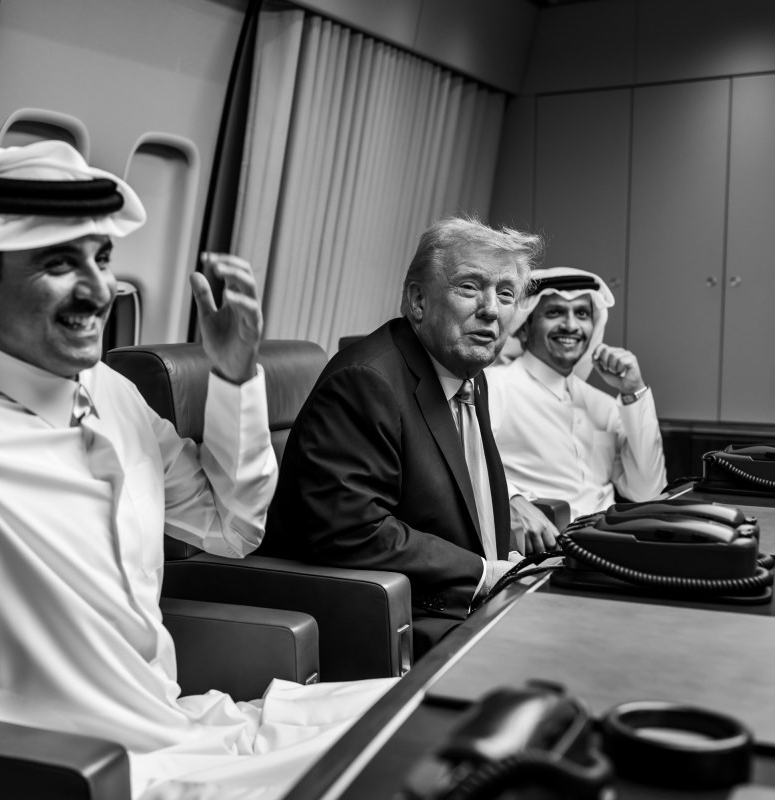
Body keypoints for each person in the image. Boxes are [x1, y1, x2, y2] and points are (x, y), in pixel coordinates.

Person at [0, 140, 395, 800]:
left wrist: (231, 376)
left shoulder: (111, 392)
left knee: (421, 714)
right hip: (86, 776)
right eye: (59, 264)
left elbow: (232, 528)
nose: (100, 289)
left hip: (185, 730)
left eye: (102, 259)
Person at [260, 216, 557, 656]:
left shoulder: (466, 370)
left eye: (506, 294)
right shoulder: (367, 381)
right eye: (470, 287)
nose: (491, 309)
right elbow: (352, 532)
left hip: (467, 602)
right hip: (391, 621)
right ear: (418, 300)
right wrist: (483, 574)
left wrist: (506, 568)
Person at [486, 267, 667, 520]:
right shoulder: (494, 386)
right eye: (555, 312)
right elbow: (468, 464)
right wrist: (513, 499)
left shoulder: (604, 404)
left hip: (610, 536)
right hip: (541, 540)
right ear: (524, 329)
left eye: (582, 313)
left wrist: (634, 392)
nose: (571, 325)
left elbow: (647, 491)